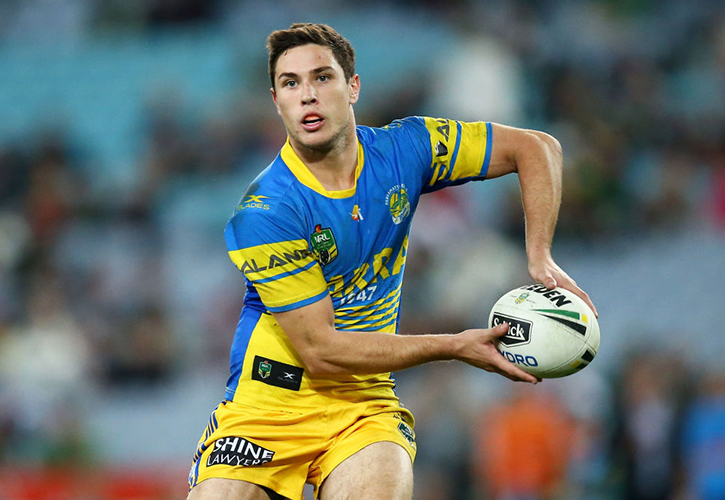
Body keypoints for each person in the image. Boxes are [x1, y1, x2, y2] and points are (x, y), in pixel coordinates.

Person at [186, 22, 597, 500]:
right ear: (276, 100)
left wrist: (540, 256)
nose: (307, 96)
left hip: (362, 405)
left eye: (322, 77)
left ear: (353, 86)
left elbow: (537, 147)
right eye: (290, 83)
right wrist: (452, 345)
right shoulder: (267, 211)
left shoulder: (407, 149)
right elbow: (321, 352)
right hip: (266, 407)